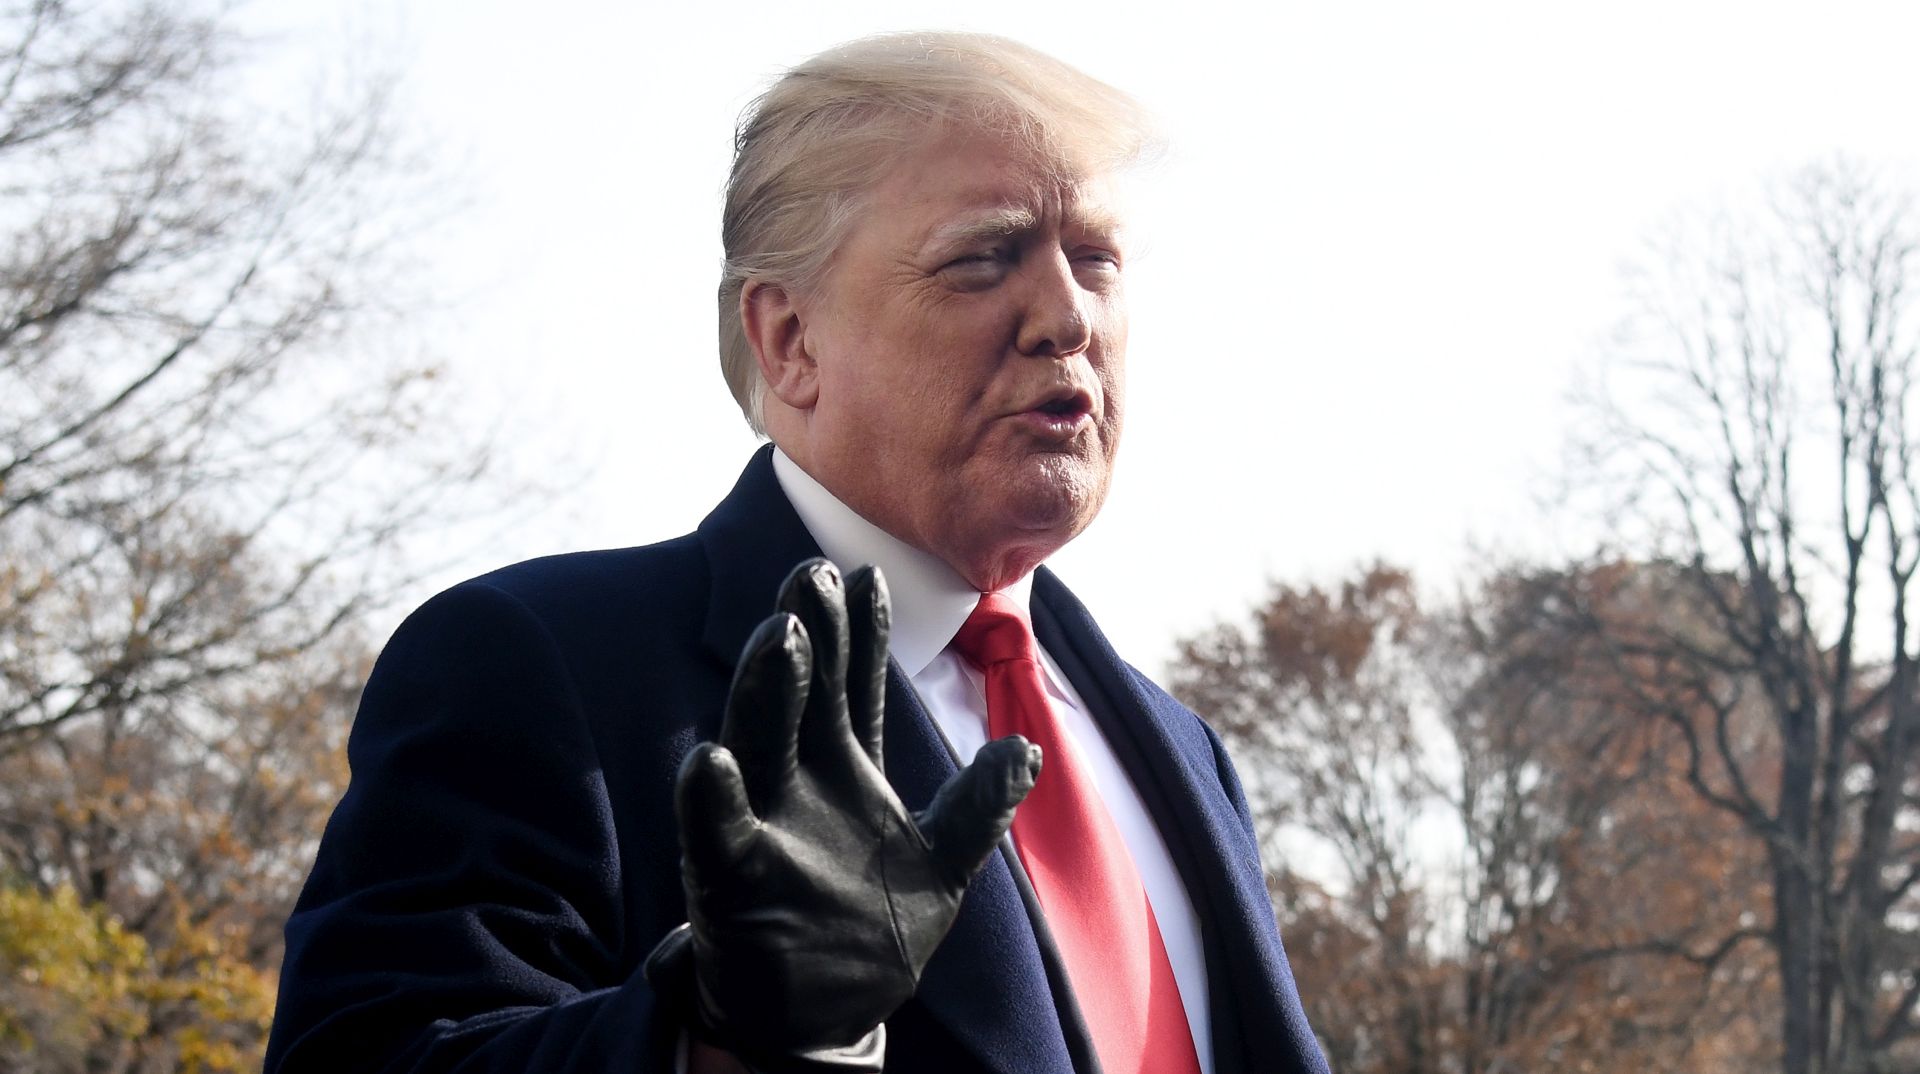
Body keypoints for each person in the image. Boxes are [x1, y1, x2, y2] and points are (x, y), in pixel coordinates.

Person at [265, 31, 1330, 1074]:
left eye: (1094, 258)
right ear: (790, 340)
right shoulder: (539, 667)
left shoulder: (1186, 751)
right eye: (982, 258)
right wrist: (723, 1035)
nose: (1064, 316)